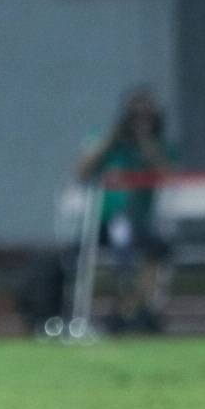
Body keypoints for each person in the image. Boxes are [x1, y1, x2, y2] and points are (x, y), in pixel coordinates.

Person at [75, 87, 175, 334]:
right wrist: (113, 138)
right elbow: (82, 172)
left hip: (140, 225)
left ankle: (136, 309)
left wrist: (144, 139)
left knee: (152, 248)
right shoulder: (107, 142)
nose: (139, 121)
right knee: (122, 245)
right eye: (134, 116)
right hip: (105, 224)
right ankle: (123, 310)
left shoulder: (158, 146)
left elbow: (166, 173)